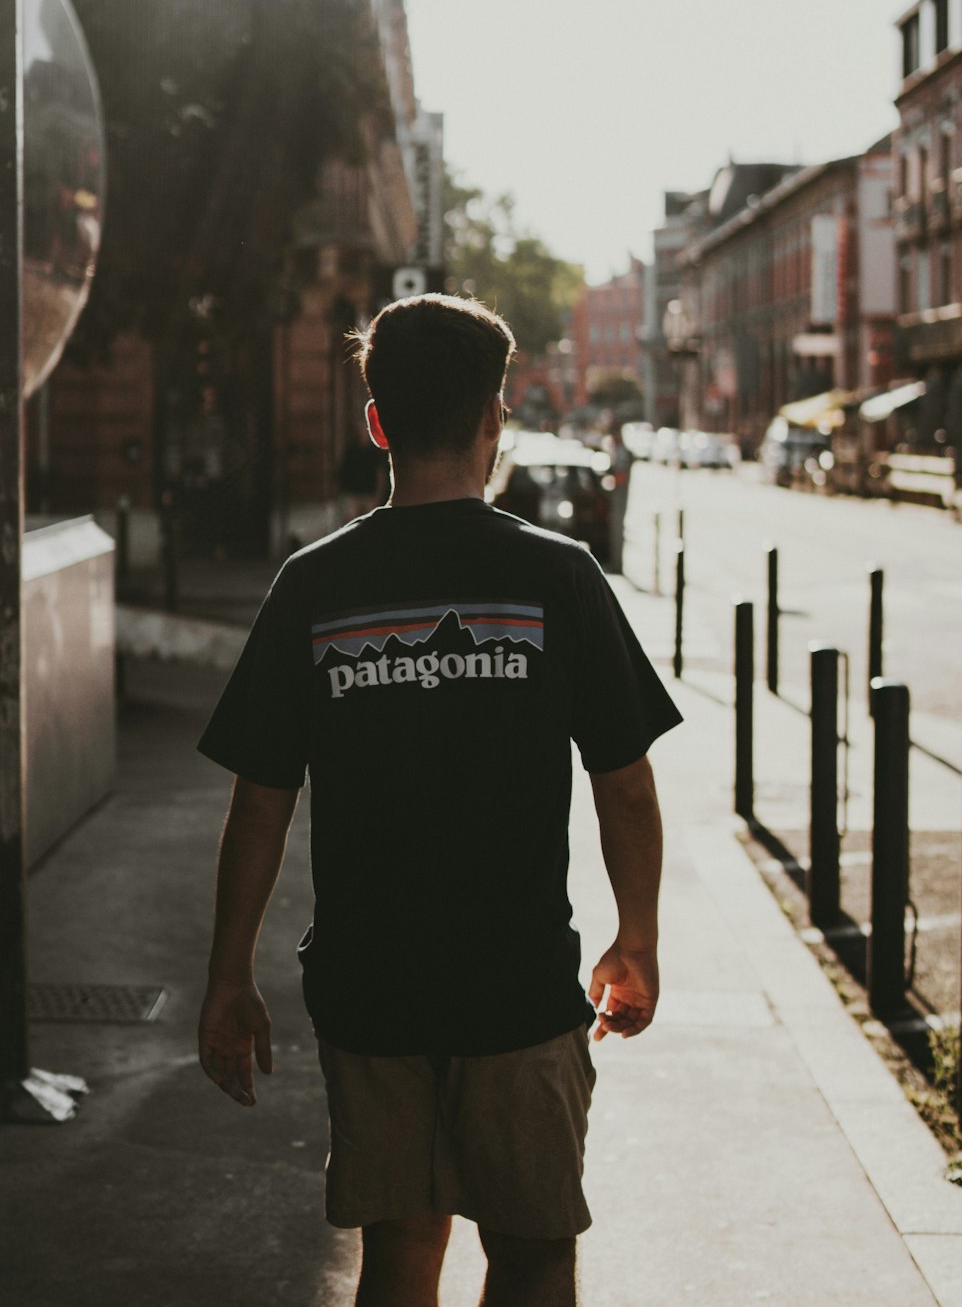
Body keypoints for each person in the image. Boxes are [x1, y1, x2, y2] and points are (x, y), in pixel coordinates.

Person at [197, 293, 680, 1307]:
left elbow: (261, 801)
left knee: (401, 1250)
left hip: (372, 991)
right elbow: (625, 789)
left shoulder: (313, 585)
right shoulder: (558, 577)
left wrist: (228, 976)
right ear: (494, 418)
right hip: (516, 987)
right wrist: (636, 938)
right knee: (535, 1251)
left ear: (376, 423)